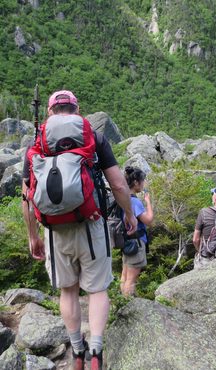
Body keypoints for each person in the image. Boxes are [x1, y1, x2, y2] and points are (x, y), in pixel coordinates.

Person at [22, 90, 137, 370]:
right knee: (97, 290)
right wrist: (129, 213)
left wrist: (33, 236)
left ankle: (76, 351)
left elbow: (27, 196)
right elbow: (120, 185)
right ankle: (96, 351)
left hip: (54, 231)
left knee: (68, 292)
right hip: (92, 224)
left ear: (49, 112)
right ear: (76, 109)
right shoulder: (94, 138)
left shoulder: (37, 143)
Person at [120, 166, 154, 297]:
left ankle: (120, 302)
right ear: (136, 183)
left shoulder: (122, 198)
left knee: (125, 275)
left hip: (126, 242)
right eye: (143, 180)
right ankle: (128, 306)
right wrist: (148, 202)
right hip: (136, 243)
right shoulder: (134, 201)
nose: (144, 183)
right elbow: (148, 220)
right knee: (131, 280)